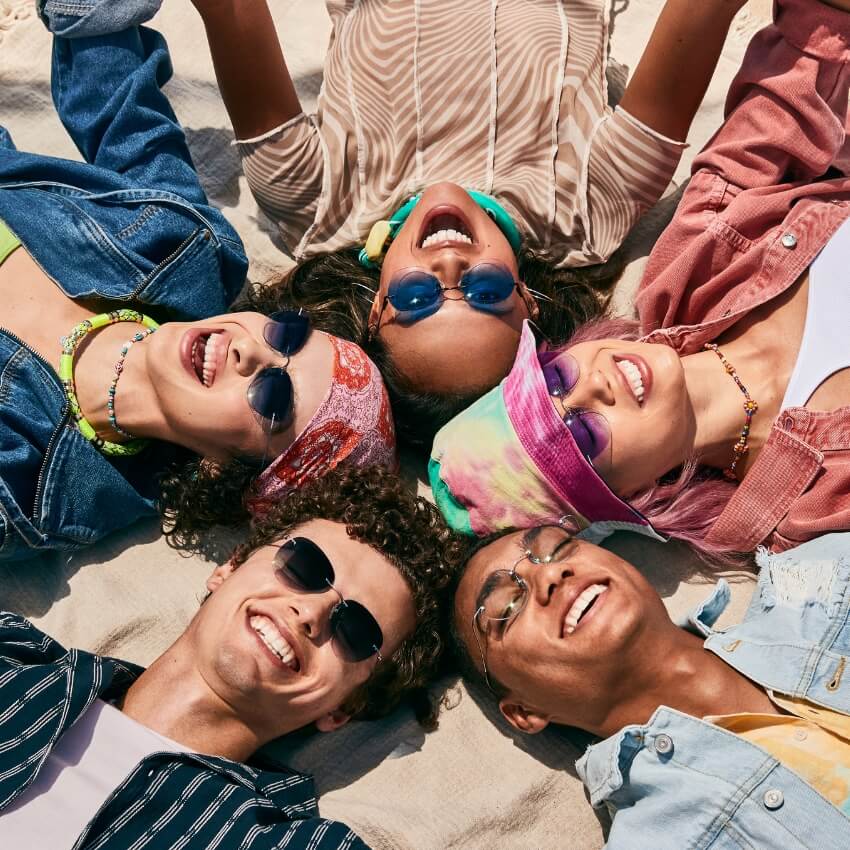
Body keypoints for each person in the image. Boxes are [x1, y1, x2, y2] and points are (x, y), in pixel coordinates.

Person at [192, 0, 749, 446]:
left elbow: (232, 11)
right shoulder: (591, 208)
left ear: (375, 306)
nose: (450, 264)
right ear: (528, 300)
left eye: (417, 298)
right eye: (486, 291)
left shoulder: (313, 204)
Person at [430, 0, 850, 560]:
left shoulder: (693, 266)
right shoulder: (806, 510)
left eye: (555, 379)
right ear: (630, 496)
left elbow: (798, 89)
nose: (591, 386)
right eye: (581, 434)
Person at [0, 5, 395, 561]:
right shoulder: (188, 254)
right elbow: (121, 111)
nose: (253, 351)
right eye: (287, 335)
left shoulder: (33, 491)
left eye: (274, 398)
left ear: (224, 471)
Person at [0, 465, 464, 849]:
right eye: (305, 567)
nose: (313, 611)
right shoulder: (13, 657)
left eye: (356, 630)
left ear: (344, 708)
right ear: (229, 568)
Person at [450, 523, 850, 848]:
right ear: (525, 712)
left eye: (559, 547)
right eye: (507, 607)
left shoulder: (828, 579)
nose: (551, 573)